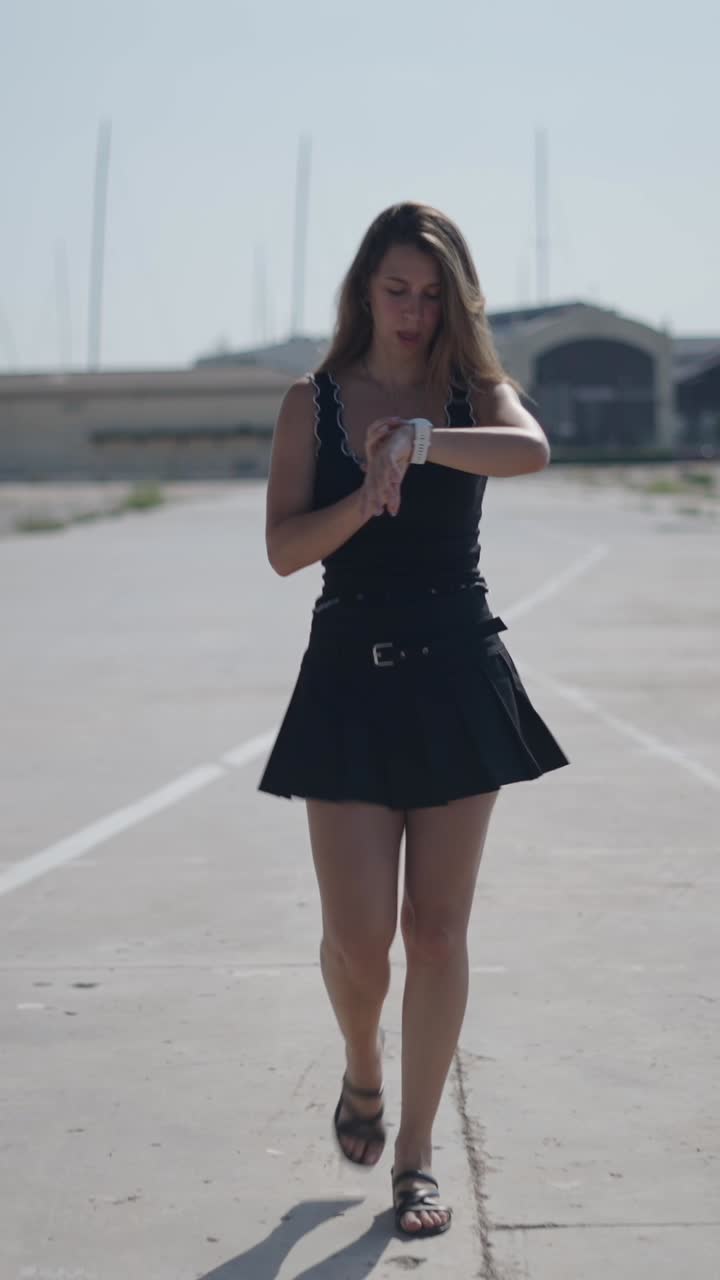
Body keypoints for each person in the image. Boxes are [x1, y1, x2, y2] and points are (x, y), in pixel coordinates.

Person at [258, 202, 569, 1239]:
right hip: (349, 670)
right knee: (361, 941)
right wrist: (367, 490)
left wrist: (428, 440)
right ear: (363, 291)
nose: (414, 308)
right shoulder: (315, 400)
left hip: (454, 669)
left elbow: (531, 452)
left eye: (432, 293)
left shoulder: (475, 390)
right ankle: (360, 1069)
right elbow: (284, 548)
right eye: (397, 289)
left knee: (435, 933)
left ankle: (418, 1156)